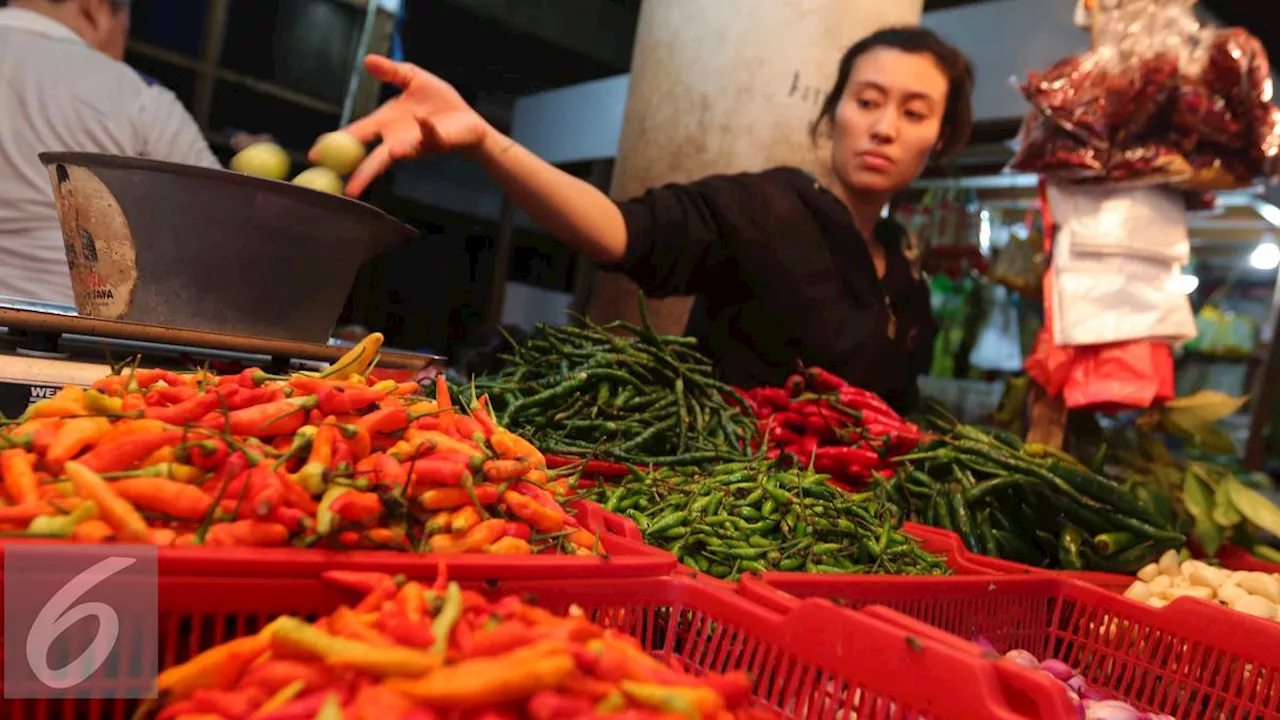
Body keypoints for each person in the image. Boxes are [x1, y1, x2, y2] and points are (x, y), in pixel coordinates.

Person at [324, 27, 975, 413]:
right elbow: (619, 231)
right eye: (867, 101)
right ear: (833, 112)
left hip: (842, 540)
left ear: (941, 139)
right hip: (723, 515)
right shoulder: (768, 207)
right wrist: (485, 140)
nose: (884, 127)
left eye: (915, 113)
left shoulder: (907, 275)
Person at [0, 0, 220, 306]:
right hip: (72, 343)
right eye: (124, 34)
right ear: (96, 10)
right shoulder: (134, 95)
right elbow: (226, 235)